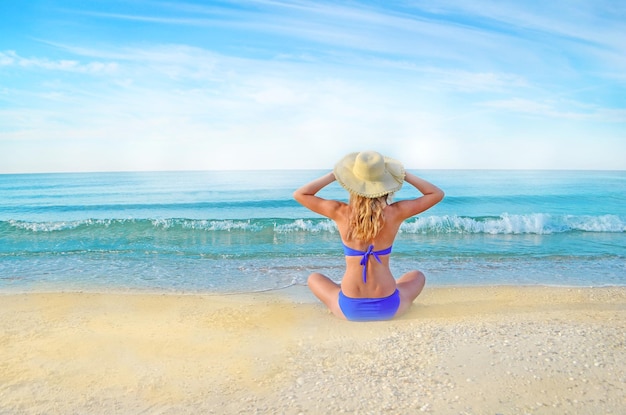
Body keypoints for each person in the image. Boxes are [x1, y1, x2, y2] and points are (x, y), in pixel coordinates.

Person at [293, 150, 444, 321]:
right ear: (385, 185)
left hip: (349, 309)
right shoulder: (396, 213)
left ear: (351, 184)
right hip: (390, 307)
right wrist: (402, 174)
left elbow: (300, 194)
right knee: (417, 276)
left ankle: (340, 296)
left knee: (314, 278)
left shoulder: (340, 212)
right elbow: (436, 194)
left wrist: (335, 174)